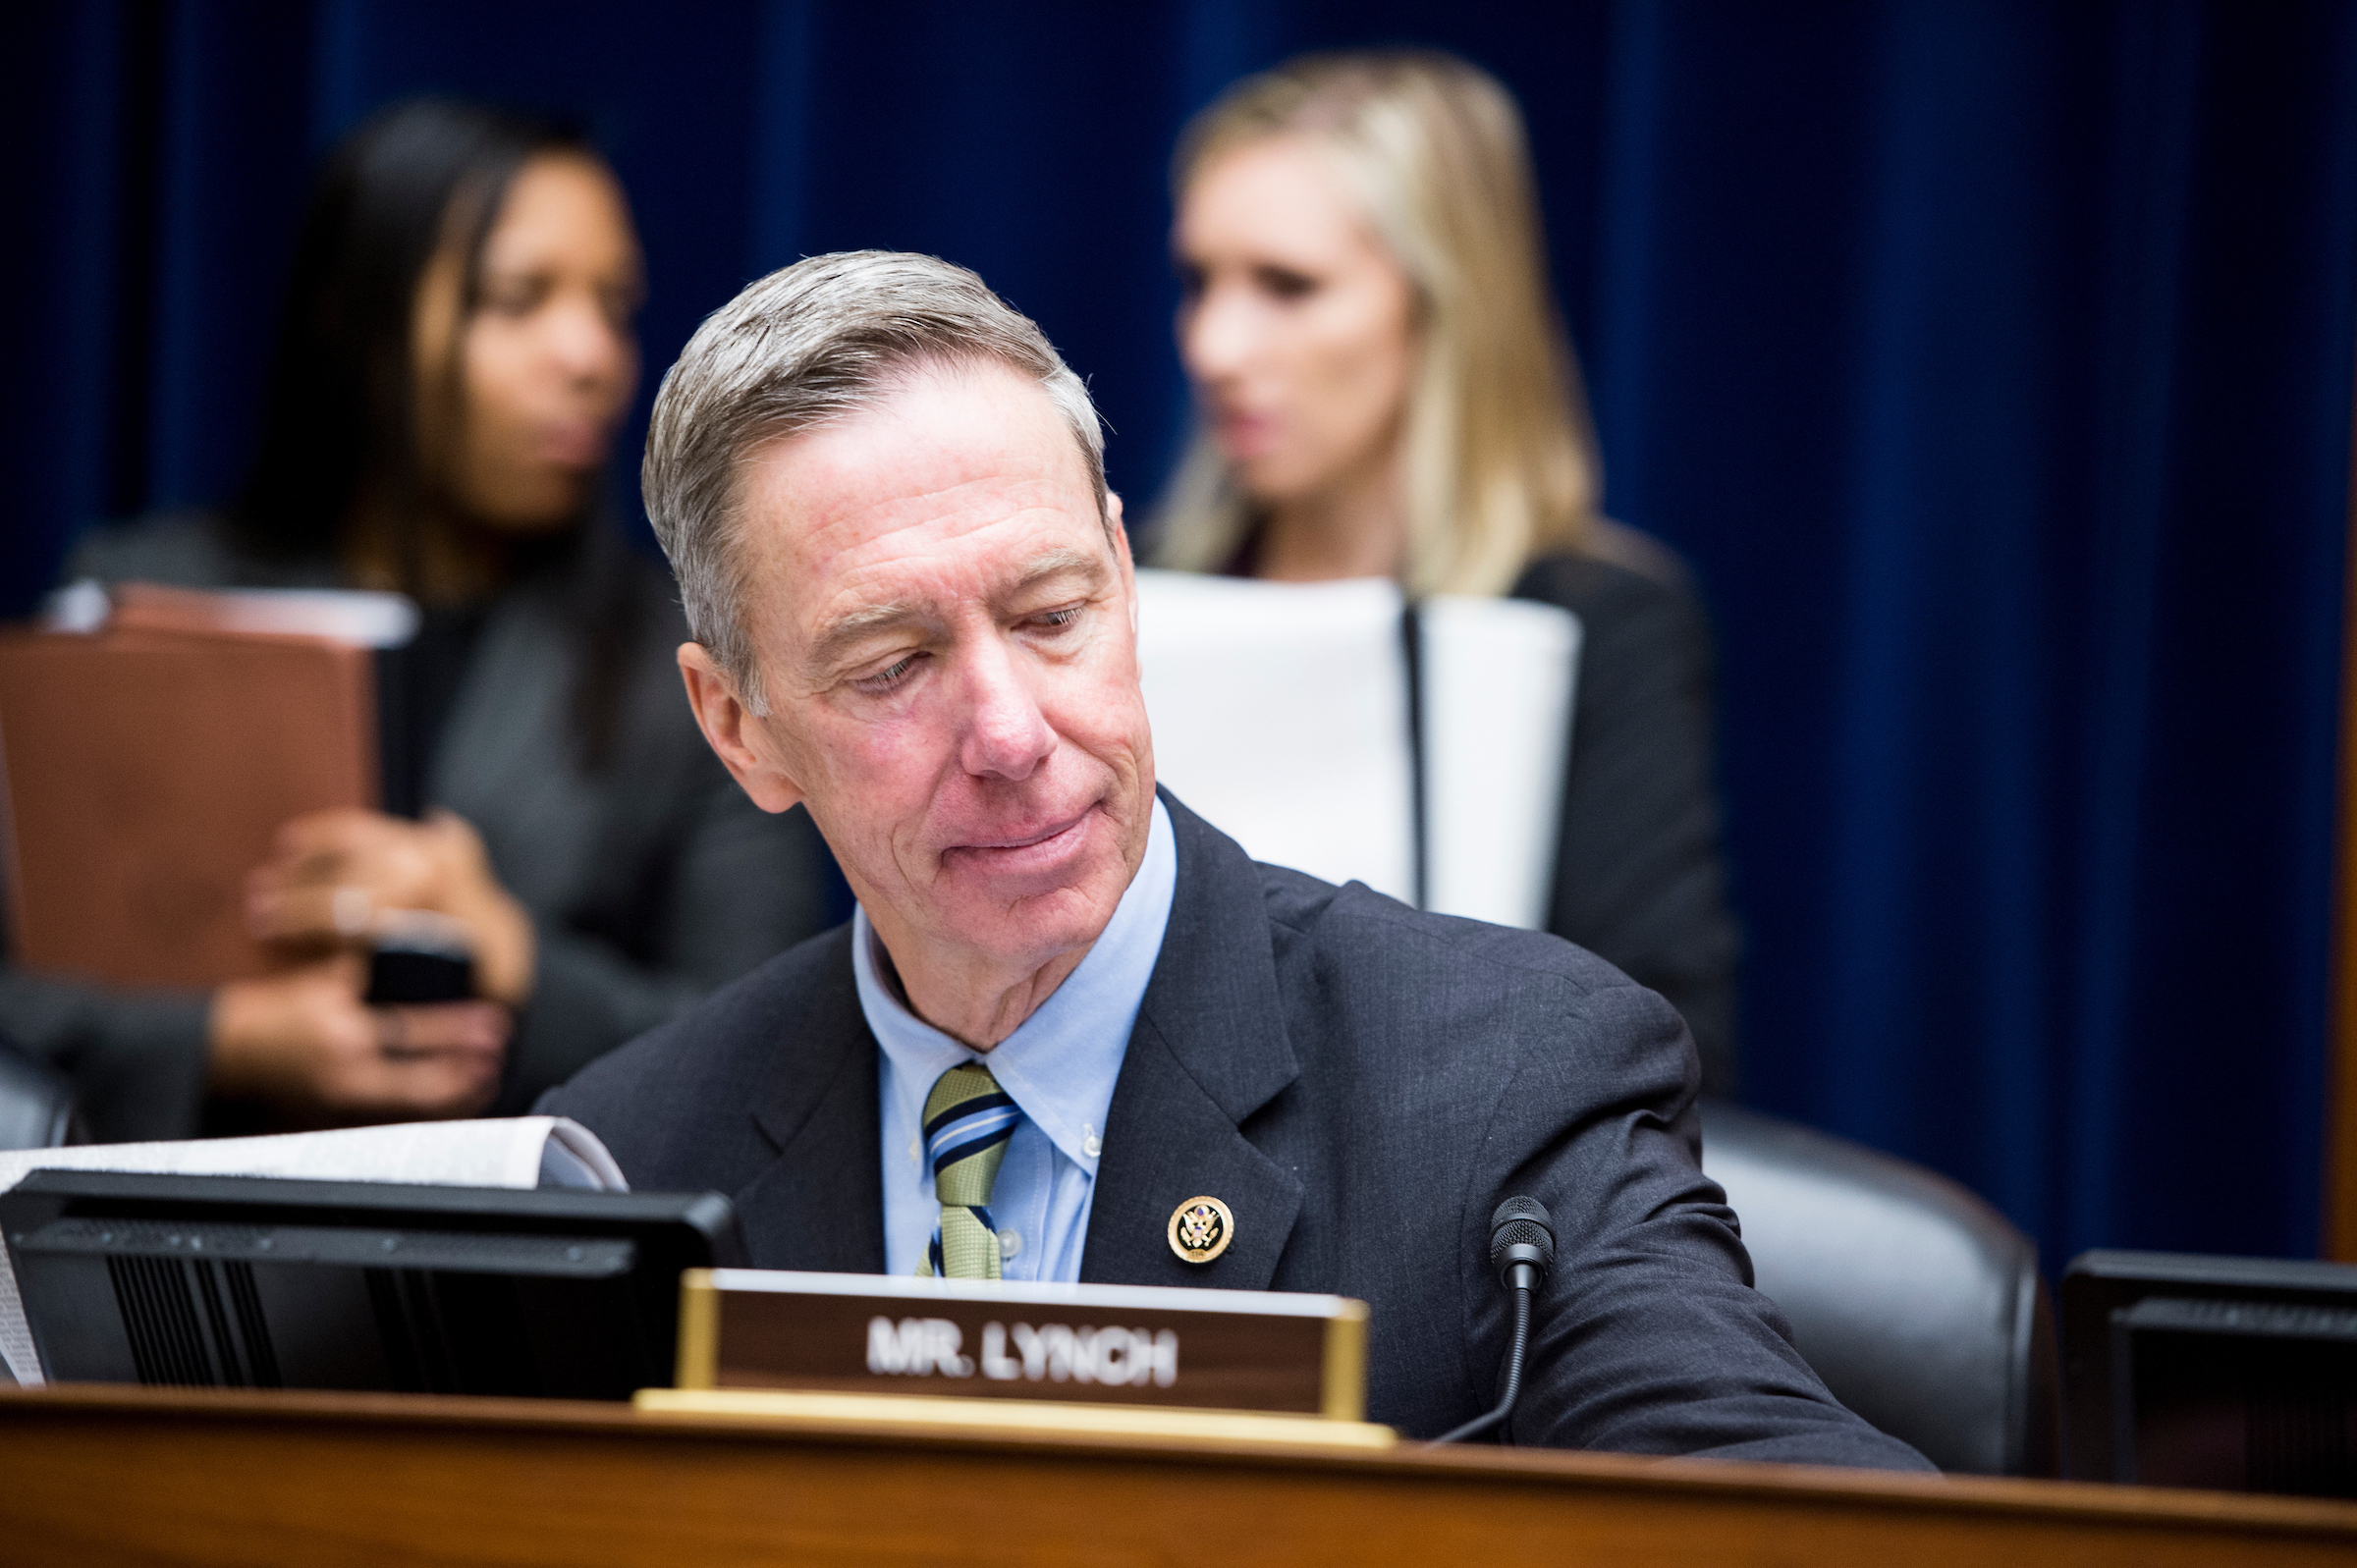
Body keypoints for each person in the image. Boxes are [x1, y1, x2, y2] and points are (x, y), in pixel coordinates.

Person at [542, 249, 1924, 1465]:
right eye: (895, 664)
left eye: (1051, 614)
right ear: (740, 729)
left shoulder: (1507, 1086)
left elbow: (1787, 1502)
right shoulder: (627, 1161)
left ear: (1126, 584)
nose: (1013, 734)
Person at [11, 99, 832, 1141]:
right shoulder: (133, 603)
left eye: (613, 305)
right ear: (364, 324)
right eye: (518, 299)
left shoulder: (681, 668)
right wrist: (226, 1040)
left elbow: (775, 1048)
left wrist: (517, 958)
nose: (591, 355)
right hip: (164, 1266)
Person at [1154, 52, 1742, 1092]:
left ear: (1447, 304)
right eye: (1199, 282)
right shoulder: (1125, 593)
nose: (1215, 343)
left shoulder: (1597, 622)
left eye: (1287, 286)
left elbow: (1658, 1036)